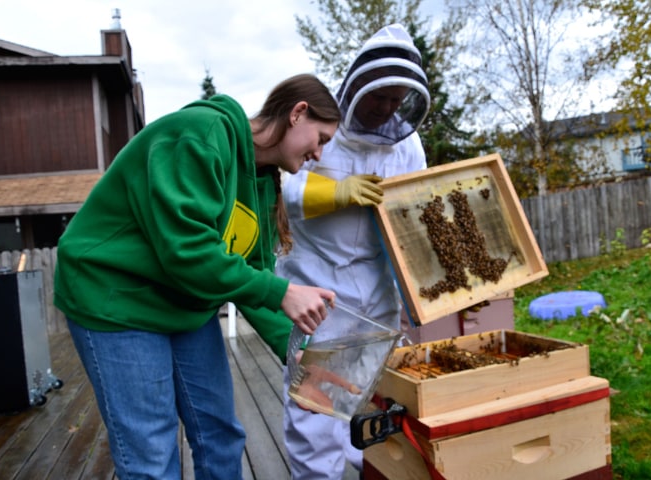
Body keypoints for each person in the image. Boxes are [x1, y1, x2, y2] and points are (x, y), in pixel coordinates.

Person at [53, 73, 341, 480]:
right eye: (322, 137)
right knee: (152, 457)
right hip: (116, 298)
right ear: (298, 113)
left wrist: (297, 355)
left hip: (182, 302)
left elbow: (251, 274)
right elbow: (187, 250)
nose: (320, 153)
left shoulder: (260, 183)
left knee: (221, 436)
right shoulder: (201, 135)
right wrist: (281, 292)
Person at [245, 24, 431, 479]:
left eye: (394, 100)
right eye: (378, 97)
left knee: (370, 398)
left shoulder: (407, 145)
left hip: (377, 290)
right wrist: (338, 191)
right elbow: (282, 189)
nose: (385, 108)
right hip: (316, 286)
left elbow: (418, 211)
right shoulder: (322, 129)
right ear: (356, 87)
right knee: (315, 406)